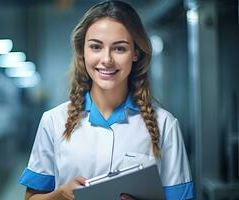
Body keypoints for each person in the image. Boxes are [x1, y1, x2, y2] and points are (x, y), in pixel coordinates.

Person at [19, 1, 194, 199]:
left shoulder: (165, 125)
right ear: (82, 52)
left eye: (119, 49)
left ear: (135, 53)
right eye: (95, 47)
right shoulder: (53, 121)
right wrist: (60, 194)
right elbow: (31, 198)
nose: (107, 59)